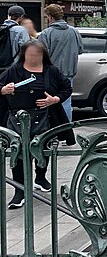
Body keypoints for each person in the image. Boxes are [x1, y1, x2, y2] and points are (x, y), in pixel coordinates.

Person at [0, 40, 72, 208]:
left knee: (43, 149)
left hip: (45, 117)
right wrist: (4, 90)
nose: (34, 58)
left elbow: (66, 88)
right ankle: (20, 189)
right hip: (18, 118)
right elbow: (1, 85)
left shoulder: (51, 71)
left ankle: (41, 177)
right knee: (18, 154)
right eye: (30, 55)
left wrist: (54, 99)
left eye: (37, 55)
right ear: (24, 55)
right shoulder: (14, 71)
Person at [38, 4, 83, 122]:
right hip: (69, 72)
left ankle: (54, 131)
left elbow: (41, 55)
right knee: (66, 101)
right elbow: (80, 50)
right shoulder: (74, 31)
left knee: (50, 102)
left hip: (51, 73)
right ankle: (66, 130)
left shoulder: (46, 33)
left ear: (50, 17)